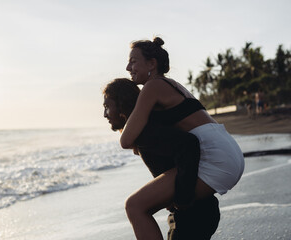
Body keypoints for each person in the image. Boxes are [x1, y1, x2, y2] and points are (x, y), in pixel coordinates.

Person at [120, 37, 245, 240]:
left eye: (133, 61)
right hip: (227, 152)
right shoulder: (172, 85)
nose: (128, 67)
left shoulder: (152, 88)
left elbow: (126, 140)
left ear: (152, 63)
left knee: (135, 206)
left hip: (214, 158)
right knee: (166, 205)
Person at [103, 78, 220, 239]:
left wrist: (182, 199)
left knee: (133, 206)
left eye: (107, 107)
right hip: (190, 214)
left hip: (195, 214)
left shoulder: (147, 131)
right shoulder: (145, 130)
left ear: (121, 104)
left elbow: (188, 144)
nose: (104, 114)